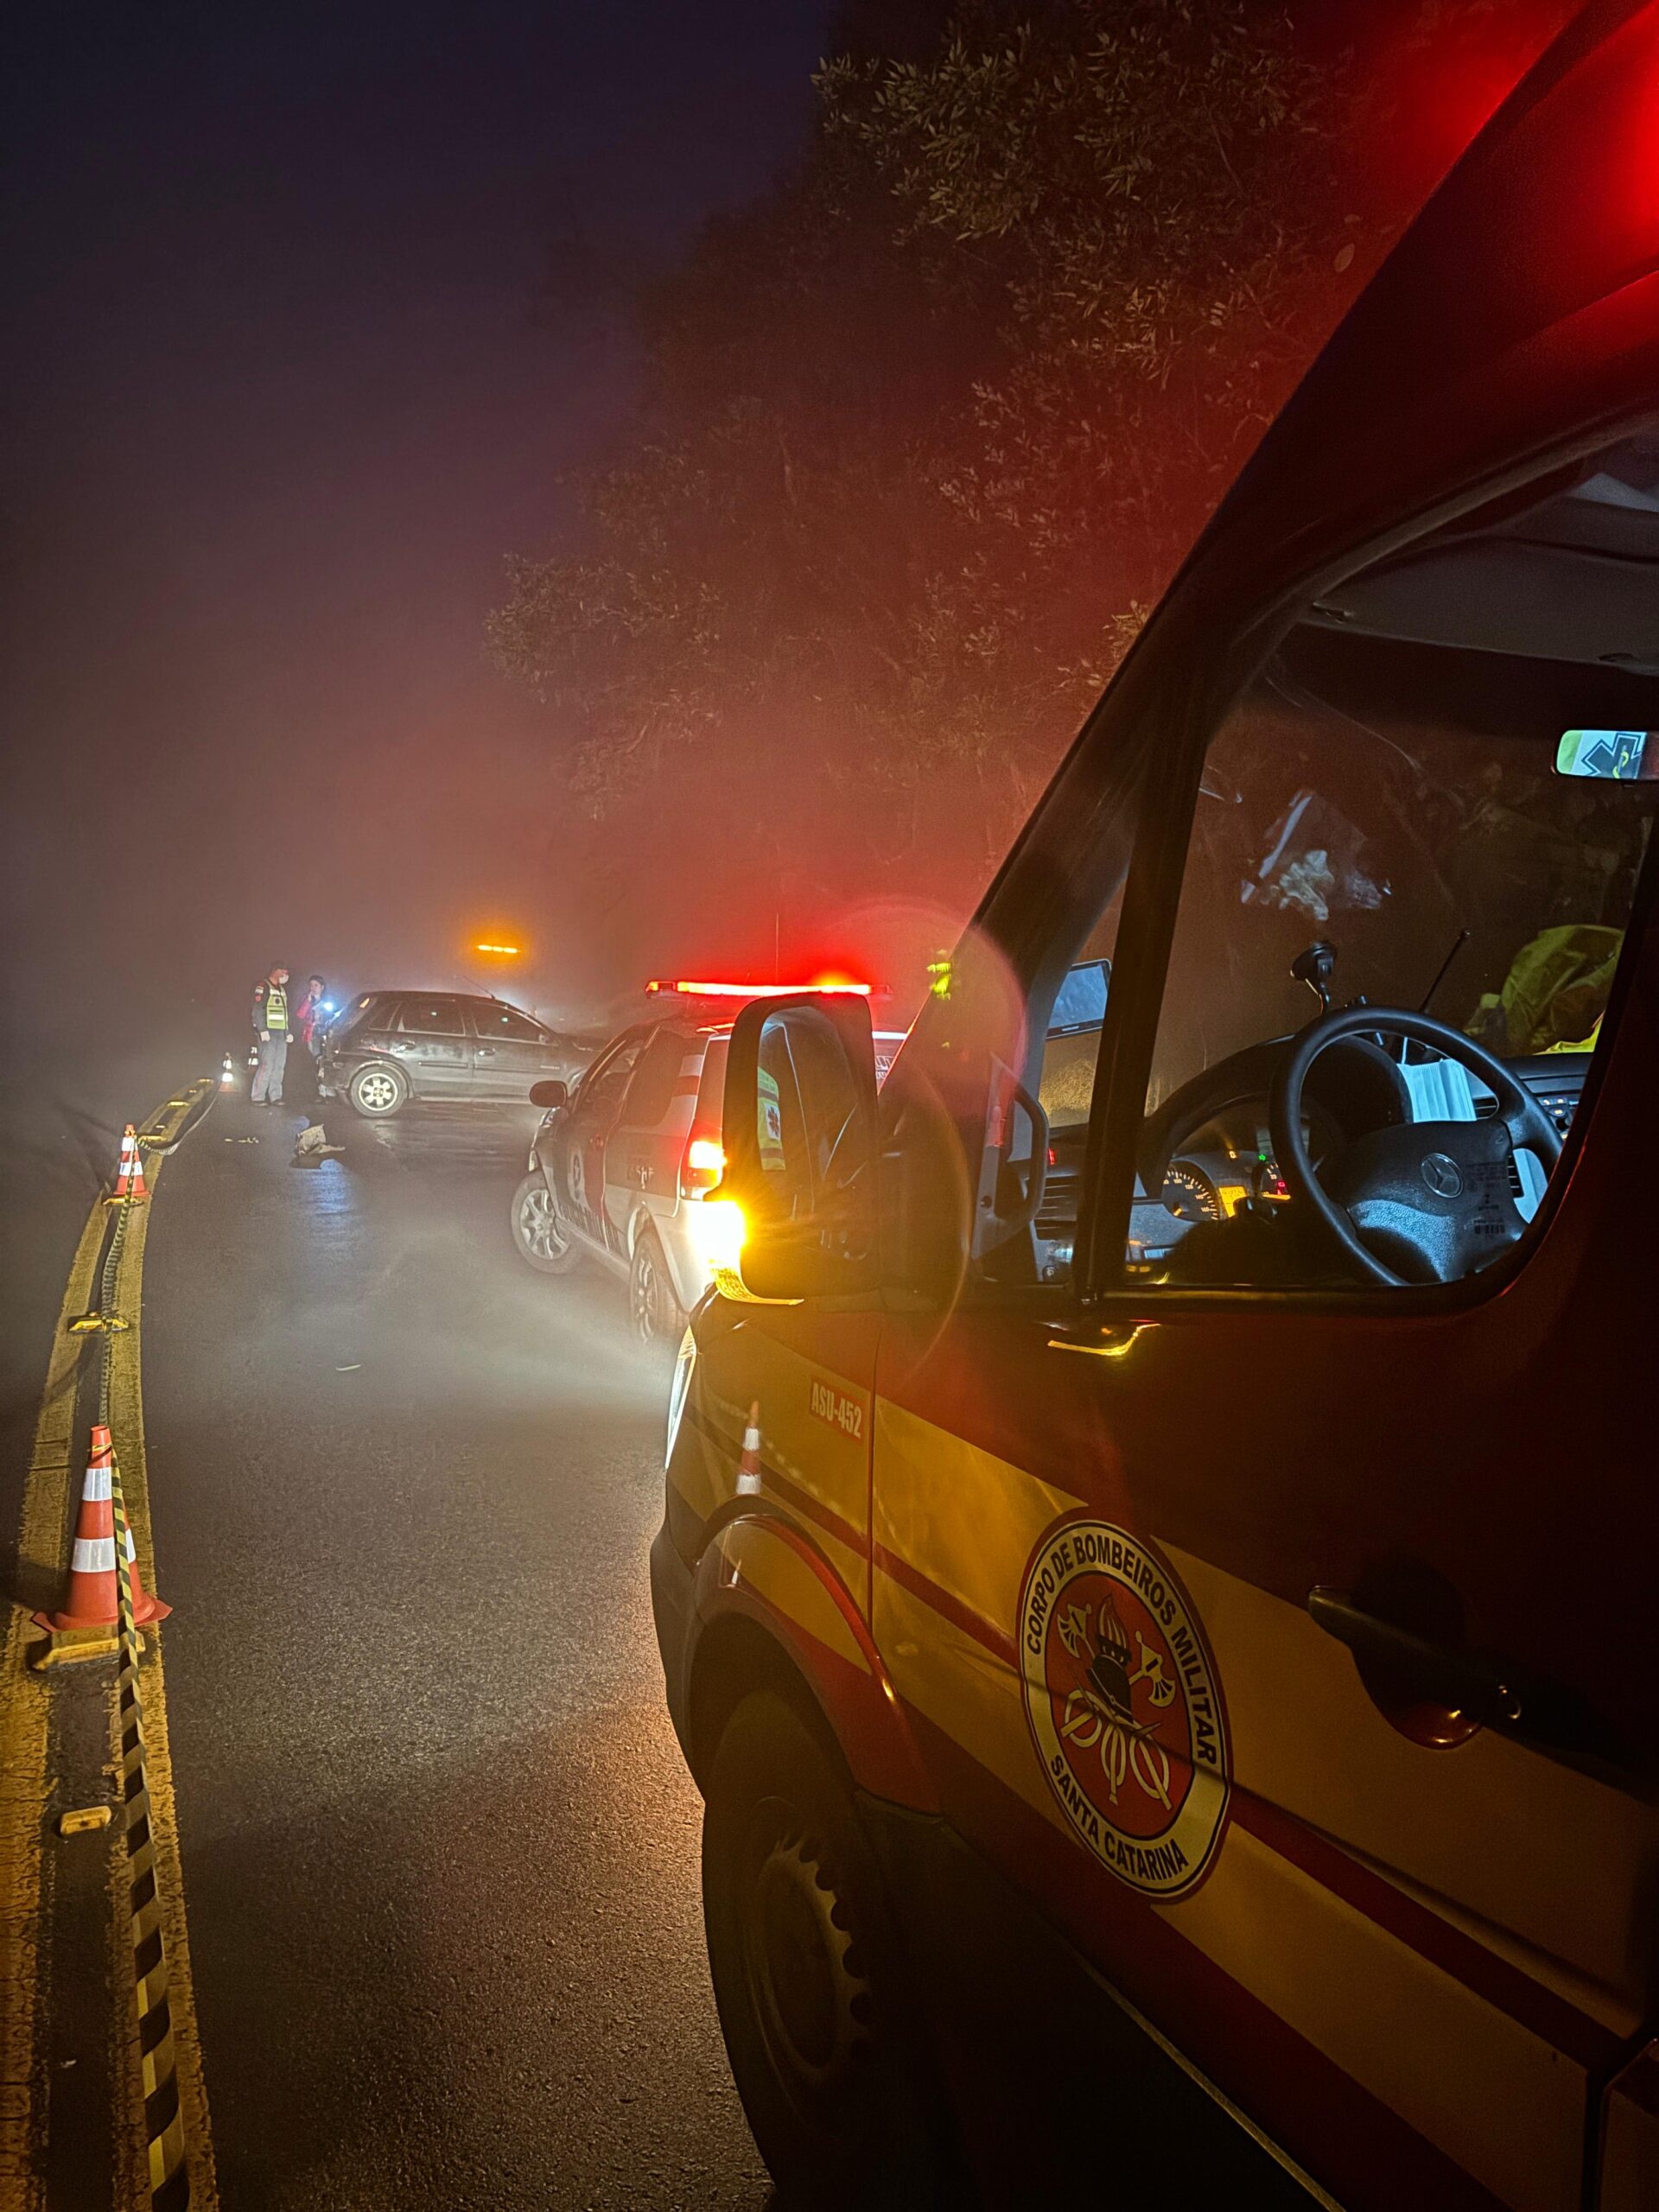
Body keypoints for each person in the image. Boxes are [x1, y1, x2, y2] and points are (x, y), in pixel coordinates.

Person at [251, 964, 291, 1104]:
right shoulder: (263, 986)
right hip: (268, 1032)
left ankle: (275, 1096)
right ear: (276, 971)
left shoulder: (282, 990)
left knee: (279, 1065)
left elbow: (284, 1013)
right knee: (266, 1065)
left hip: (281, 1033)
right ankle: (258, 1097)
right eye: (284, 973)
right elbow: (257, 1009)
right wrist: (262, 1030)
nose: (286, 976)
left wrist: (288, 1032)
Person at [292, 975, 327, 1101]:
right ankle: (317, 1091)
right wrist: (307, 1001)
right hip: (311, 1034)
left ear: (322, 987)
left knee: (324, 1062)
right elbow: (300, 1015)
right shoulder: (307, 1000)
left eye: (316, 985)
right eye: (311, 985)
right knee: (314, 1061)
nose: (313, 988)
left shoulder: (327, 1001)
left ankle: (325, 1090)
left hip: (326, 1035)